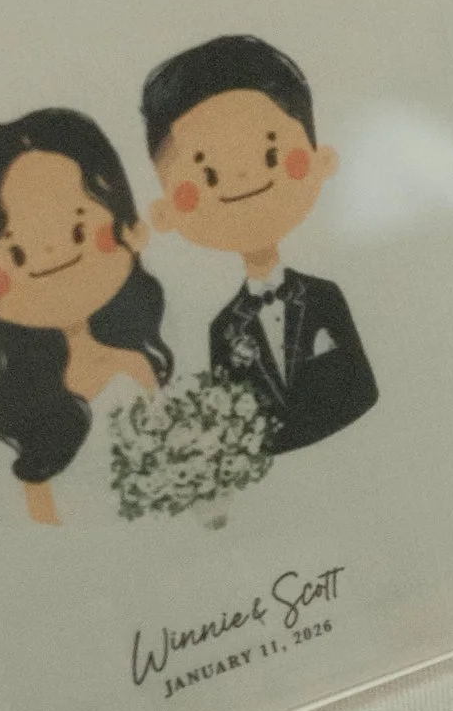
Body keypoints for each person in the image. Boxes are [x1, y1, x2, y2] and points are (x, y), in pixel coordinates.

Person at [140, 32, 377, 454]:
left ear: (321, 160)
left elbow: (363, 389)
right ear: (167, 212)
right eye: (208, 175)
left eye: (270, 156)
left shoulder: (324, 297)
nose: (242, 179)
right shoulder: (222, 330)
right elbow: (235, 433)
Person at [0, 110, 172, 523]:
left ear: (127, 228)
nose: (53, 255)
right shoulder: (23, 401)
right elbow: (39, 512)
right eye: (17, 253)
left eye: (78, 232)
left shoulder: (136, 364)